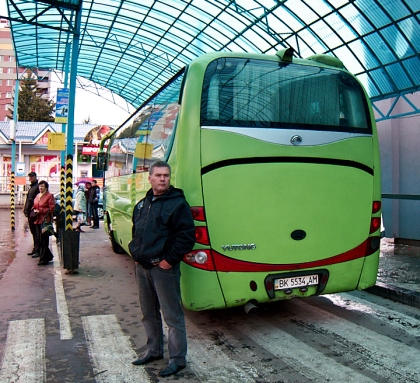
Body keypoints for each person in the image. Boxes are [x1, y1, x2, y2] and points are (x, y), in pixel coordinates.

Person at [129, 160, 195, 377]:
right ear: (150, 178)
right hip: (143, 268)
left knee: (172, 316)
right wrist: (136, 257)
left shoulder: (177, 204)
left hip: (163, 269)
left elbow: (187, 238)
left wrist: (168, 262)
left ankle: (177, 359)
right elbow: (136, 232)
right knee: (148, 313)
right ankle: (154, 350)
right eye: (158, 175)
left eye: (166, 175)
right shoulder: (143, 204)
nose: (162, 179)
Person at [31, 180, 55, 266]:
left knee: (44, 240)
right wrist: (33, 209)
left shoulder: (49, 196)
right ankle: (48, 256)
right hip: (37, 220)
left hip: (45, 220)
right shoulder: (37, 195)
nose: (40, 188)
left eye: (42, 186)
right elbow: (35, 205)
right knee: (39, 239)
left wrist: (40, 210)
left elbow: (51, 208)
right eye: (39, 186)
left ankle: (43, 259)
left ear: (46, 187)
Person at [23, 172, 40, 257]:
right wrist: (25, 209)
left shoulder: (37, 187)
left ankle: (37, 250)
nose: (31, 178)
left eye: (32, 176)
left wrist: (28, 210)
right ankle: (35, 248)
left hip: (34, 212)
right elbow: (28, 200)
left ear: (35, 177)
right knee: (33, 232)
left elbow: (31, 200)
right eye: (29, 176)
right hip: (30, 212)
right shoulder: (32, 186)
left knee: (36, 232)